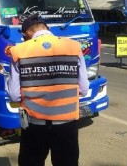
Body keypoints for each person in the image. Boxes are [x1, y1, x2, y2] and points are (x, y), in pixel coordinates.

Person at [6, 15, 89, 166]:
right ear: (47, 29)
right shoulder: (74, 47)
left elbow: (14, 95)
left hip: (34, 124)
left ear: (26, 35)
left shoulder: (18, 51)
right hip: (66, 124)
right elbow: (84, 89)